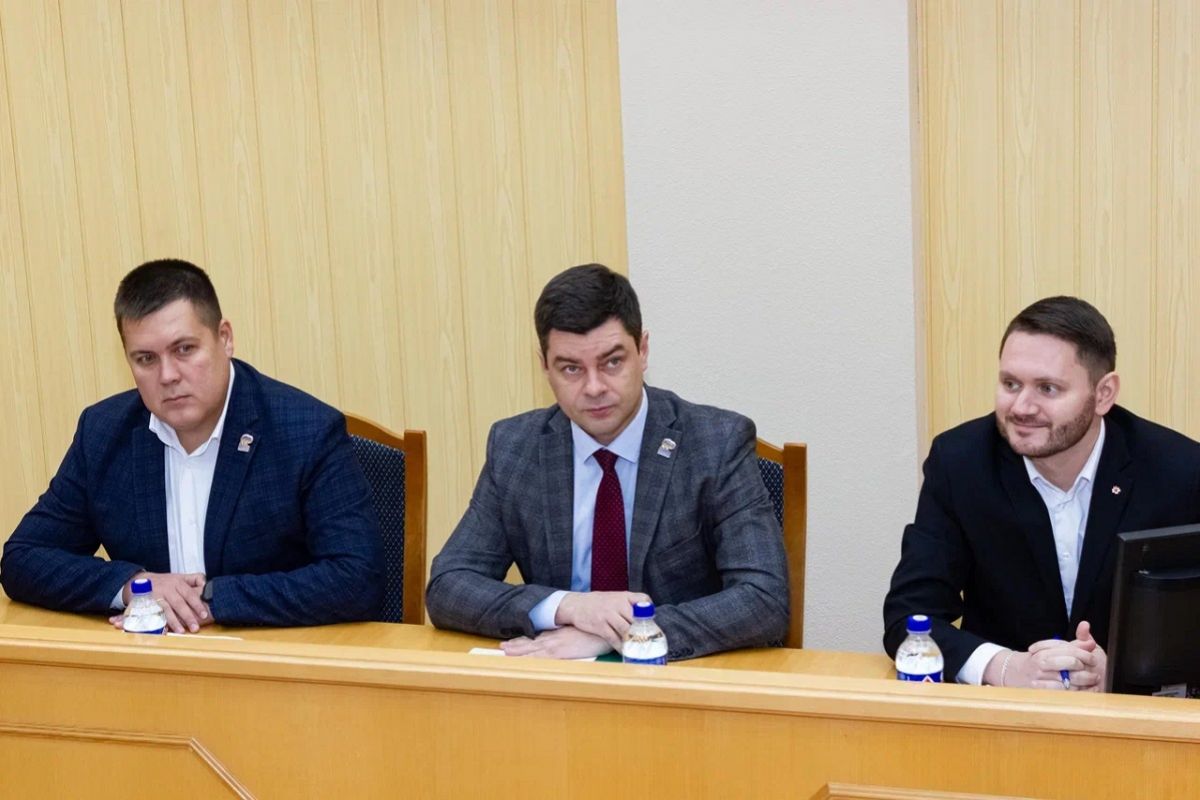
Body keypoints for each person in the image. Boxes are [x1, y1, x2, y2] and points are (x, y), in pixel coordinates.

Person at [426, 264, 788, 660]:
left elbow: (764, 599)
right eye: (571, 368)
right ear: (544, 366)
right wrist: (570, 607)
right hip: (559, 678)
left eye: (612, 362)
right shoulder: (516, 448)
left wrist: (623, 634)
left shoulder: (716, 444)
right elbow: (449, 585)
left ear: (642, 351)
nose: (594, 387)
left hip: (679, 679)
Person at [1, 259, 384, 632]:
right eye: (146, 359)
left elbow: (357, 578)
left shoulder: (306, 431)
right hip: (152, 662)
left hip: (274, 660)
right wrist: (135, 587)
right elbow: (23, 557)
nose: (168, 375)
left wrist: (213, 599)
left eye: (184, 349)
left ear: (225, 338)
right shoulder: (103, 433)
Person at [884, 296, 1200, 691]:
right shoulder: (961, 463)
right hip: (1004, 714)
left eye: (1047, 388)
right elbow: (909, 617)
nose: (1021, 407)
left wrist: (1124, 671)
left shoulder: (1180, 471)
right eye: (1010, 384)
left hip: (1133, 717)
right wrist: (1004, 666)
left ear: (1104, 393)